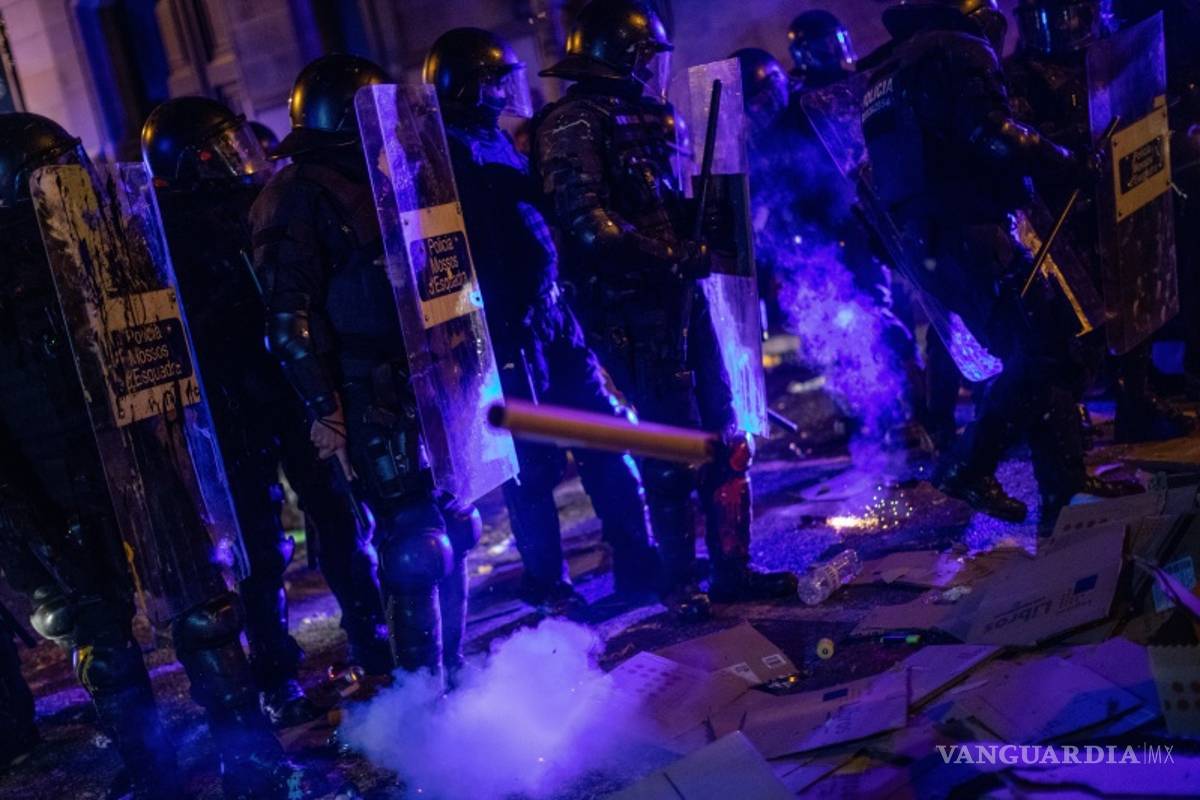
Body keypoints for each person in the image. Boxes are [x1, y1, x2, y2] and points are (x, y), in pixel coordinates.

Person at [0, 111, 307, 799]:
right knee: (120, 636)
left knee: (180, 618)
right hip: (75, 485)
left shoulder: (111, 237)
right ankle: (175, 769)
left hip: (129, 471)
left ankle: (225, 763)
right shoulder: (91, 246)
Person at [141, 97, 394, 725]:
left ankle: (372, 642)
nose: (241, 160)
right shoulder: (160, 231)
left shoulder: (270, 200)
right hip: (230, 408)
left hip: (289, 387)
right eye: (221, 151)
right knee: (260, 548)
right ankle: (276, 675)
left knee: (340, 517)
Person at [534, 0, 797, 601]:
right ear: (622, 56)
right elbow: (586, 223)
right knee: (672, 445)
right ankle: (680, 583)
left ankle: (734, 572)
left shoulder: (645, 114)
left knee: (728, 436)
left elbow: (661, 206)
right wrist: (665, 254)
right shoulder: (571, 123)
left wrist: (701, 224)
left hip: (680, 290)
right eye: (646, 56)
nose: (654, 69)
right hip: (628, 304)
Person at [861, 0, 1134, 530]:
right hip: (970, 228)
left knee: (1040, 348)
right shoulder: (955, 50)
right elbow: (993, 133)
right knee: (1044, 346)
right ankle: (970, 464)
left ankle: (1065, 485)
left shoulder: (888, 73)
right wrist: (1067, 162)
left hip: (931, 239)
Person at [251, 54, 480, 679]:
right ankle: (421, 700)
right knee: (414, 544)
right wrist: (325, 410)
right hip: (366, 387)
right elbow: (286, 323)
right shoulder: (298, 195)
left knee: (457, 524)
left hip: (428, 373)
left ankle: (453, 673)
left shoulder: (393, 169)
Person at [424, 27, 666, 616]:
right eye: (495, 80)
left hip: (550, 316)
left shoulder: (494, 139)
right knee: (531, 468)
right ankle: (549, 585)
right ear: (466, 86)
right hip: (502, 328)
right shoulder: (441, 154)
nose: (507, 89)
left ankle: (639, 558)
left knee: (605, 435)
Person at [1007, 0, 1193, 444]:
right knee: (1073, 319)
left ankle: (1135, 401)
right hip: (1060, 209)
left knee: (1134, 300)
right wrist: (1072, 151)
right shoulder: (1018, 75)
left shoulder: (1109, 57)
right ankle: (1068, 412)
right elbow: (1023, 140)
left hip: (1118, 196)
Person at [787, 9, 858, 90]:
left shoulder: (852, 69)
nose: (831, 44)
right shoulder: (800, 89)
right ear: (803, 49)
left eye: (833, 39)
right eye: (822, 41)